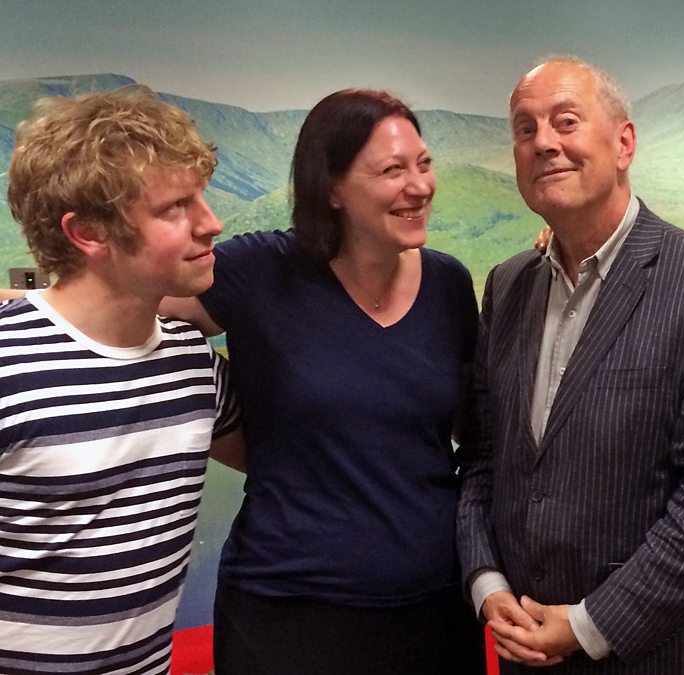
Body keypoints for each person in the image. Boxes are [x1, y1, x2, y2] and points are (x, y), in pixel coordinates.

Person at [455, 56, 684, 674]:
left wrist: (586, 625)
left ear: (624, 143)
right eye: (525, 129)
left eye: (566, 121)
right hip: (519, 648)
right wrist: (486, 582)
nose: (544, 142)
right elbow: (484, 457)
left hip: (652, 656)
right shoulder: (508, 286)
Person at [160, 89, 484, 673]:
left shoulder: (448, 284)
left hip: (436, 611)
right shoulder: (262, 270)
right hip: (287, 615)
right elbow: (118, 308)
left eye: (424, 164)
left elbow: (473, 431)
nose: (419, 186)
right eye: (392, 170)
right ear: (332, 187)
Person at [0, 89, 240, 674]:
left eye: (202, 197)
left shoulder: (194, 363)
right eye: (175, 207)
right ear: (89, 232)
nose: (212, 223)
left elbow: (295, 461)